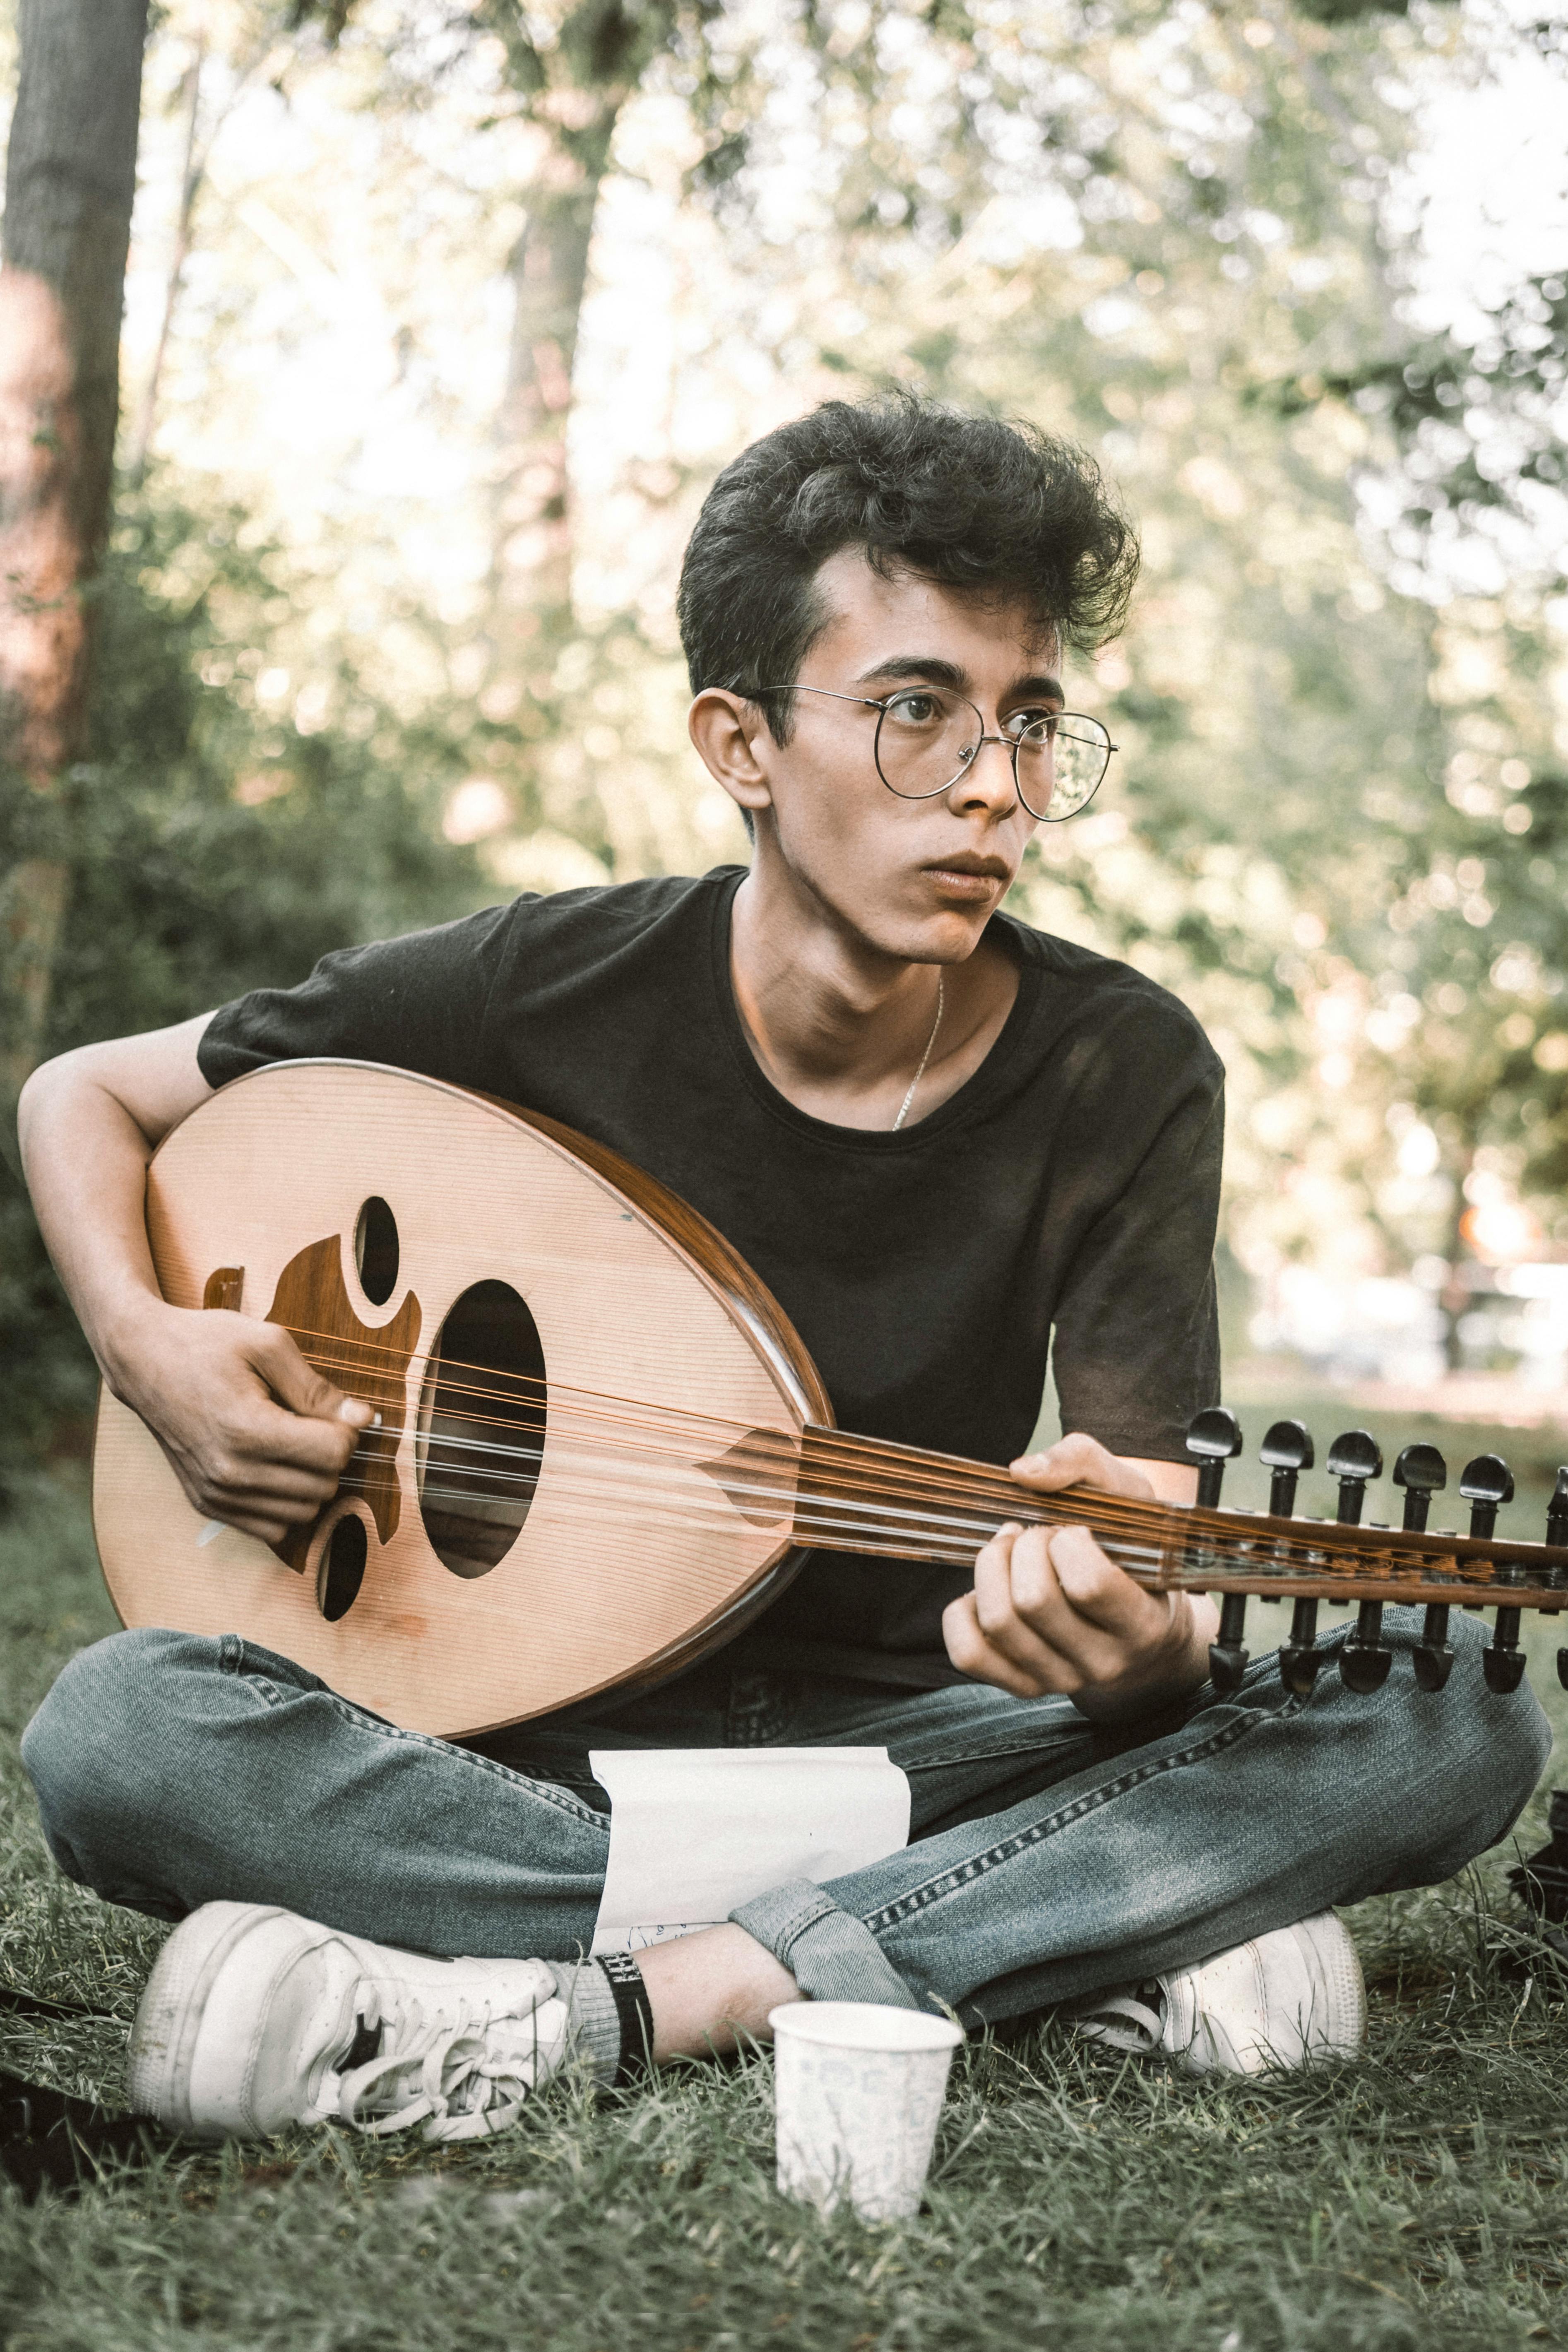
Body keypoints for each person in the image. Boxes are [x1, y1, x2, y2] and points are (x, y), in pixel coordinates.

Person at [17, 397, 1548, 2144]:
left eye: (1027, 722)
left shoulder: (1121, 1065)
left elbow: (1146, 1590)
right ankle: (1046, 1934)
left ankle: (622, 1997)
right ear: (738, 744)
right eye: (914, 712)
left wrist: (1127, 1659)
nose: (993, 785)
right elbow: (86, 1094)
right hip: (519, 1749)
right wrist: (149, 1346)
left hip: (919, 1733)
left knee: (1451, 1717)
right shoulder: (534, 985)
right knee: (122, 1732)